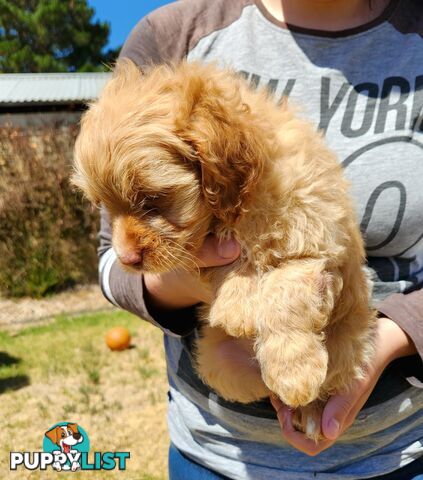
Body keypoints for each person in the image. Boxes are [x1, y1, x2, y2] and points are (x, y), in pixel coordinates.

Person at [97, 0, 423, 478]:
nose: (132, 243)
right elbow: (111, 260)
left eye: (153, 201)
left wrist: (384, 341)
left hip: (398, 451)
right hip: (214, 454)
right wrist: (207, 279)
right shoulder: (175, 35)